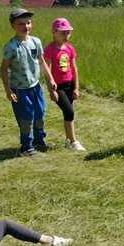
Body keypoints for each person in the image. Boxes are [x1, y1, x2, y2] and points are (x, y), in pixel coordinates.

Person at [0, 8, 57, 156]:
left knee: (39, 114)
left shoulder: (35, 42)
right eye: (21, 24)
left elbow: (42, 62)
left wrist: (50, 79)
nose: (26, 26)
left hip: (35, 87)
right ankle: (26, 146)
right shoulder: (11, 46)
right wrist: (8, 90)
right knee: (26, 118)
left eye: (28, 23)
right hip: (20, 89)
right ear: (13, 25)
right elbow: (4, 69)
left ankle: (39, 140)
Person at [43, 17, 85, 151]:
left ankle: (68, 140)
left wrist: (76, 88)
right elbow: (47, 71)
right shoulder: (49, 49)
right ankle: (74, 141)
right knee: (69, 112)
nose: (66, 35)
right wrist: (51, 91)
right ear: (54, 32)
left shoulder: (70, 49)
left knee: (68, 114)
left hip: (69, 85)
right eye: (63, 32)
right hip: (58, 87)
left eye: (68, 32)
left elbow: (74, 69)